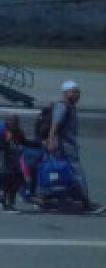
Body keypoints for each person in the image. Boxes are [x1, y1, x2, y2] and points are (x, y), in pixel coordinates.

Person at [46, 80, 101, 213]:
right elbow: (55, 125)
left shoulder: (70, 107)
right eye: (74, 91)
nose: (77, 94)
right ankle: (85, 203)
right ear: (65, 93)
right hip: (64, 147)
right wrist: (51, 141)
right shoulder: (63, 107)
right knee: (77, 174)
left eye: (78, 92)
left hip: (67, 146)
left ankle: (62, 199)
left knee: (63, 174)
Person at [0, 114, 40, 210]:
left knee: (17, 183)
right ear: (7, 122)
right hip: (6, 163)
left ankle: (5, 200)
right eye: (12, 122)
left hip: (16, 162)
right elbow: (1, 148)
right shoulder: (4, 133)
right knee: (9, 184)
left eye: (16, 122)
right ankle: (8, 205)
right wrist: (7, 140)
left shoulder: (18, 133)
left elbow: (25, 142)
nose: (14, 124)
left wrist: (39, 144)